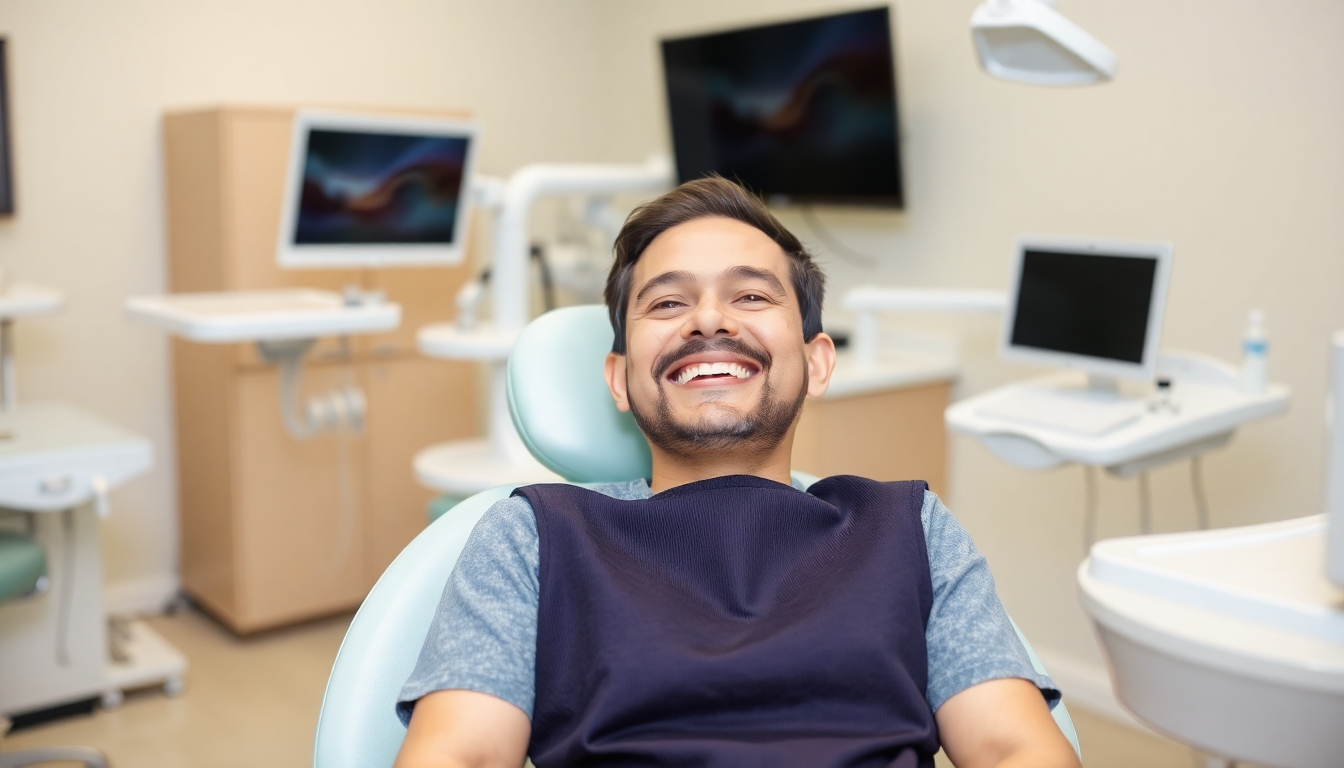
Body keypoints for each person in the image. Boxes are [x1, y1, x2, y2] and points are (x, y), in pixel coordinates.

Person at [394, 177, 1080, 768]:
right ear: (620, 378)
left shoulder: (909, 530)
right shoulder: (537, 537)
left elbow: (1011, 748)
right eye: (667, 303)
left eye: (751, 297)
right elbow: (461, 752)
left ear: (817, 360)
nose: (709, 320)